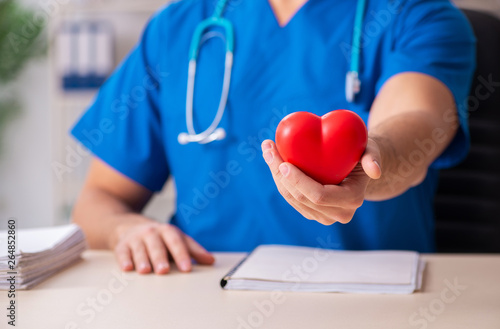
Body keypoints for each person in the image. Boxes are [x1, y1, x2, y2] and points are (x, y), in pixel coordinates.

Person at [71, 0, 476, 275]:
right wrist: (126, 230)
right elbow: (98, 201)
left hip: (370, 299)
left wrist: (372, 161)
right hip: (205, 292)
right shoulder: (176, 28)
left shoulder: (419, 15)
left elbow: (416, 120)